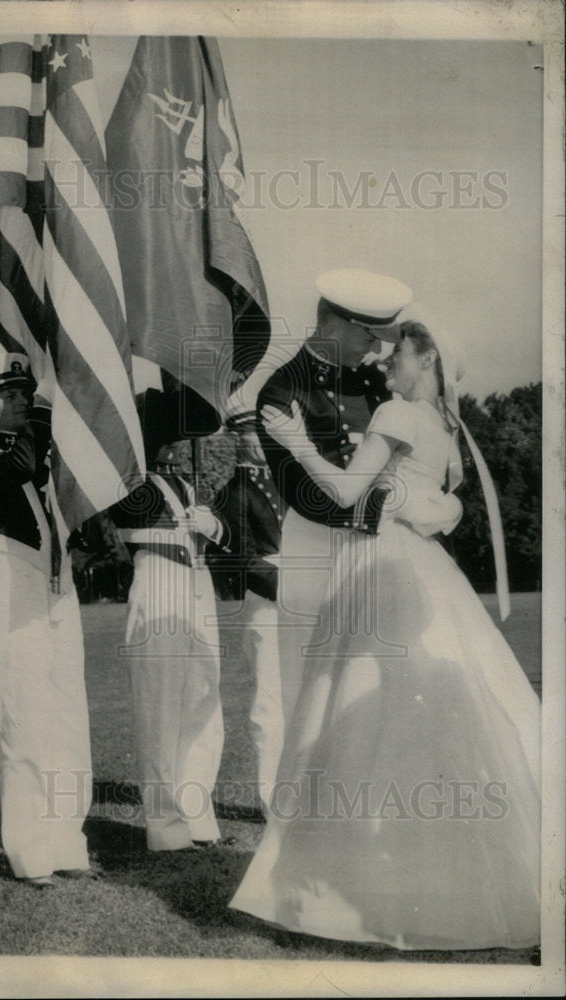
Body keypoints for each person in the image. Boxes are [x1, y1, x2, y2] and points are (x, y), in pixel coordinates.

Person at [230, 320, 540, 950]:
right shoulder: (449, 428)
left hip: (379, 566)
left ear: (427, 360)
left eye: (397, 351)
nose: (385, 361)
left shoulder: (400, 411)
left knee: (353, 707)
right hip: (419, 571)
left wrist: (293, 442)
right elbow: (440, 506)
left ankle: (347, 884)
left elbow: (347, 490)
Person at [256, 269, 413, 729]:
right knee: (308, 676)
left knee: (371, 675)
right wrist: (377, 507)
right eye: (369, 334)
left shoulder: (374, 384)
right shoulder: (284, 388)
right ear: (334, 323)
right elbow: (304, 494)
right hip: (316, 542)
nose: (377, 348)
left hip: (373, 540)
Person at [0, 354, 94, 889]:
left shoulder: (34, 451)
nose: (20, 399)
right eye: (8, 394)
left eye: (24, 391)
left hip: (54, 586)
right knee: (23, 717)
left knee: (66, 714)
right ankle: (30, 849)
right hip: (13, 581)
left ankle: (66, 840)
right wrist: (43, 413)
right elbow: (19, 467)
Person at [110, 379, 230, 851]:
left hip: (196, 583)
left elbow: (223, 533)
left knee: (203, 697)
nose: (173, 441)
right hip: (158, 580)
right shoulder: (125, 479)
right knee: (160, 706)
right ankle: (164, 822)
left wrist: (212, 523)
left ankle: (197, 812)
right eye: (162, 429)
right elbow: (134, 512)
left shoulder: (183, 479)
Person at [209, 409, 287, 811]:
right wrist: (294, 587)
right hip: (268, 605)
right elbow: (243, 562)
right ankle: (272, 797)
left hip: (300, 602)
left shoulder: (285, 482)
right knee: (269, 700)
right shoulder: (232, 493)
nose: (262, 441)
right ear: (237, 437)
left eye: (265, 433)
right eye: (254, 433)